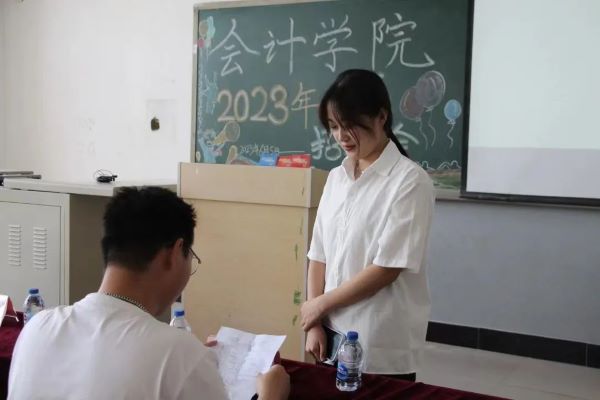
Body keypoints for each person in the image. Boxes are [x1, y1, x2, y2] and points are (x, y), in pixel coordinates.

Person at [8, 187, 289, 399]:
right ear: (175, 253)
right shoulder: (180, 356)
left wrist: (188, 362)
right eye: (191, 256)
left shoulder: (37, 329)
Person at [301, 69, 435, 381]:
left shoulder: (410, 181)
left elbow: (387, 268)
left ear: (381, 117)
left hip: (378, 340)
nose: (341, 136)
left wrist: (318, 305)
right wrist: (315, 321)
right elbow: (318, 253)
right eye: (334, 126)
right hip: (329, 334)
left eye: (350, 125)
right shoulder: (336, 178)